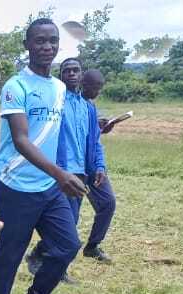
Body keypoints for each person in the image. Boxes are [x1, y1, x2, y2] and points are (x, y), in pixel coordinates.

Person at [0, 18, 87, 294]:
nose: (47, 47)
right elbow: (21, 140)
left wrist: (69, 169)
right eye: (40, 41)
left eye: (53, 41)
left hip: (48, 185)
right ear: (27, 45)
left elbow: (59, 135)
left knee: (68, 245)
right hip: (15, 185)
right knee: (10, 255)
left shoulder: (59, 89)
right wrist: (61, 174)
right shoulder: (17, 87)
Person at [25, 57, 105, 282]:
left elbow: (95, 140)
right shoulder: (55, 102)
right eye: (66, 70)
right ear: (61, 76)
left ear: (81, 75)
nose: (71, 74)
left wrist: (99, 165)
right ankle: (56, 268)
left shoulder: (87, 107)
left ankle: (39, 254)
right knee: (65, 223)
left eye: (75, 70)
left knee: (72, 219)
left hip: (82, 171)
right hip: (61, 172)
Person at [80, 69, 117, 263]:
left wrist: (101, 167)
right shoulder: (73, 106)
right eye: (96, 87)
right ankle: (43, 252)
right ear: (84, 85)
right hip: (75, 168)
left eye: (100, 88)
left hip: (93, 168)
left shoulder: (92, 107)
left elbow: (95, 141)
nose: (98, 92)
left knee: (108, 203)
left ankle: (92, 246)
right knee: (66, 215)